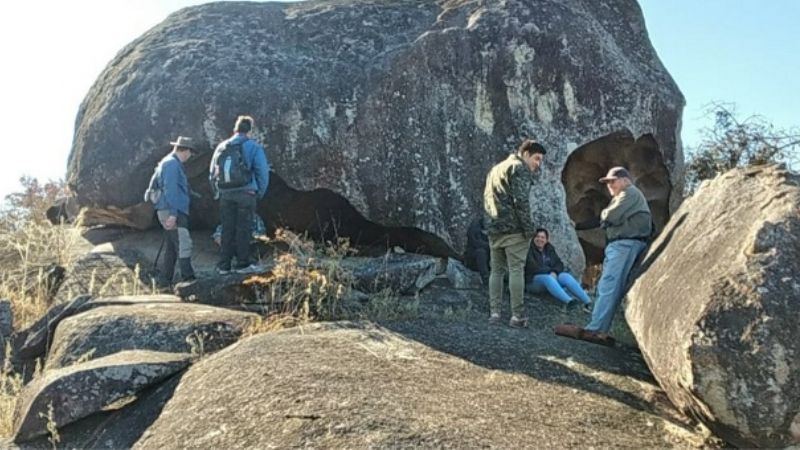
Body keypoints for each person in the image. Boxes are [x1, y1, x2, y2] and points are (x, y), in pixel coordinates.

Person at [555, 166, 652, 346]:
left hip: (625, 244)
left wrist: (606, 215)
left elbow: (609, 216)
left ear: (624, 180)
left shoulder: (629, 193)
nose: (609, 185)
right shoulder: (626, 195)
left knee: (609, 285)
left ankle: (596, 329)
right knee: (607, 286)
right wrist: (578, 226)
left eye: (612, 181)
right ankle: (599, 328)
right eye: (607, 182)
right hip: (625, 244)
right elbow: (602, 219)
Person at [484, 139, 546, 328]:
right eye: (536, 159)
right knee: (516, 270)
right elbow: (521, 202)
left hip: (494, 228)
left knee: (496, 271)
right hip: (514, 230)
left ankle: (494, 313)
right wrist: (529, 230)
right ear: (525, 154)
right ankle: (517, 316)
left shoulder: (496, 169)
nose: (538, 164)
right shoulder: (519, 168)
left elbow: (487, 198)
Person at [209, 115, 270, 274]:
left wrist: (217, 192)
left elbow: (212, 173)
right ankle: (243, 263)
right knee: (244, 228)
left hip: (225, 193)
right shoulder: (253, 147)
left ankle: (224, 265)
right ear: (250, 130)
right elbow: (262, 172)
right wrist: (258, 192)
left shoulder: (222, 147)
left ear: (235, 129)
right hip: (246, 192)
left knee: (227, 228)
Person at [144, 136, 197, 286]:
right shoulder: (173, 165)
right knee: (183, 242)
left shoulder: (165, 162)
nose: (190, 156)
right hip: (173, 210)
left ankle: (165, 280)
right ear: (185, 151)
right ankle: (189, 279)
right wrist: (173, 213)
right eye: (190, 152)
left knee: (172, 246)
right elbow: (171, 189)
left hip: (164, 209)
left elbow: (153, 187)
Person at [525, 228, 592, 312]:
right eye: (537, 237)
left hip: (551, 277)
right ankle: (569, 302)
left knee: (565, 276)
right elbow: (533, 267)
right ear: (533, 238)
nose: (540, 239)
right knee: (547, 278)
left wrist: (554, 272)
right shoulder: (528, 249)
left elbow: (559, 263)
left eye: (543, 237)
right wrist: (550, 272)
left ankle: (587, 301)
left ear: (546, 240)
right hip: (533, 281)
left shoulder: (549, 249)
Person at [464, 215, 490, 285]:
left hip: (489, 258)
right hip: (474, 259)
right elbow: (476, 243)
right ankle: (485, 278)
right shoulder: (475, 227)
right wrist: (491, 245)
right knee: (481, 252)